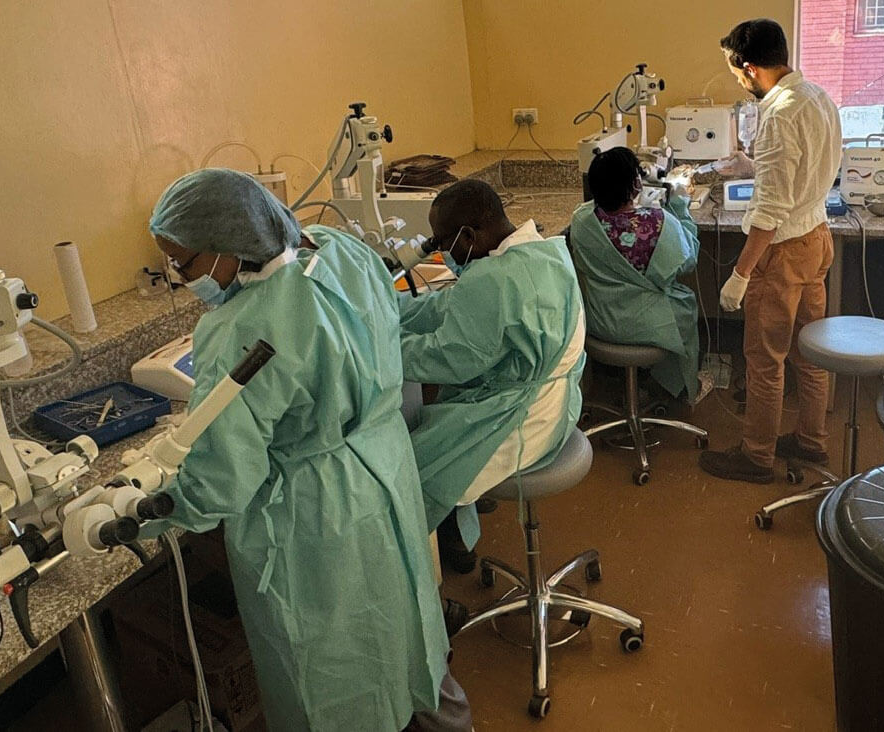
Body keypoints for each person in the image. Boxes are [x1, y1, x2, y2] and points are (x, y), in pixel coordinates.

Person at [146, 168, 470, 732]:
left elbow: (219, 479)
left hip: (314, 516)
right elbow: (386, 325)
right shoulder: (343, 250)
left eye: (184, 263)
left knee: (331, 669)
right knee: (407, 624)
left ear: (227, 245)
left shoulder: (238, 333)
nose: (181, 276)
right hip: (384, 466)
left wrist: (145, 509)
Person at [400, 179, 585, 570]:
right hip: (559, 403)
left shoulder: (493, 279)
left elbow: (450, 357)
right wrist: (388, 310)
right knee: (437, 429)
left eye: (442, 243)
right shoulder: (543, 251)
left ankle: (429, 568)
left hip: (524, 421)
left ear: (468, 235)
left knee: (409, 472)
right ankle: (455, 529)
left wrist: (381, 347)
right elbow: (446, 306)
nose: (441, 253)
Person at [698, 19, 842, 483]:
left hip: (780, 252)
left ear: (752, 68)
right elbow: (802, 169)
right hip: (817, 238)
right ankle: (810, 442)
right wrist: (752, 164)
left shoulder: (778, 114)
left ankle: (756, 456)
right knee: (810, 353)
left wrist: (740, 275)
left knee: (765, 359)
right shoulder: (817, 97)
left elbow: (770, 212)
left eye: (737, 74)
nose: (739, 82)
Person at [567, 146, 702, 402]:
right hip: (652, 327)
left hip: (601, 323)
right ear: (636, 184)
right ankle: (668, 388)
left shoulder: (582, 221)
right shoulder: (660, 222)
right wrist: (679, 205)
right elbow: (689, 261)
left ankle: (636, 388)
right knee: (685, 305)